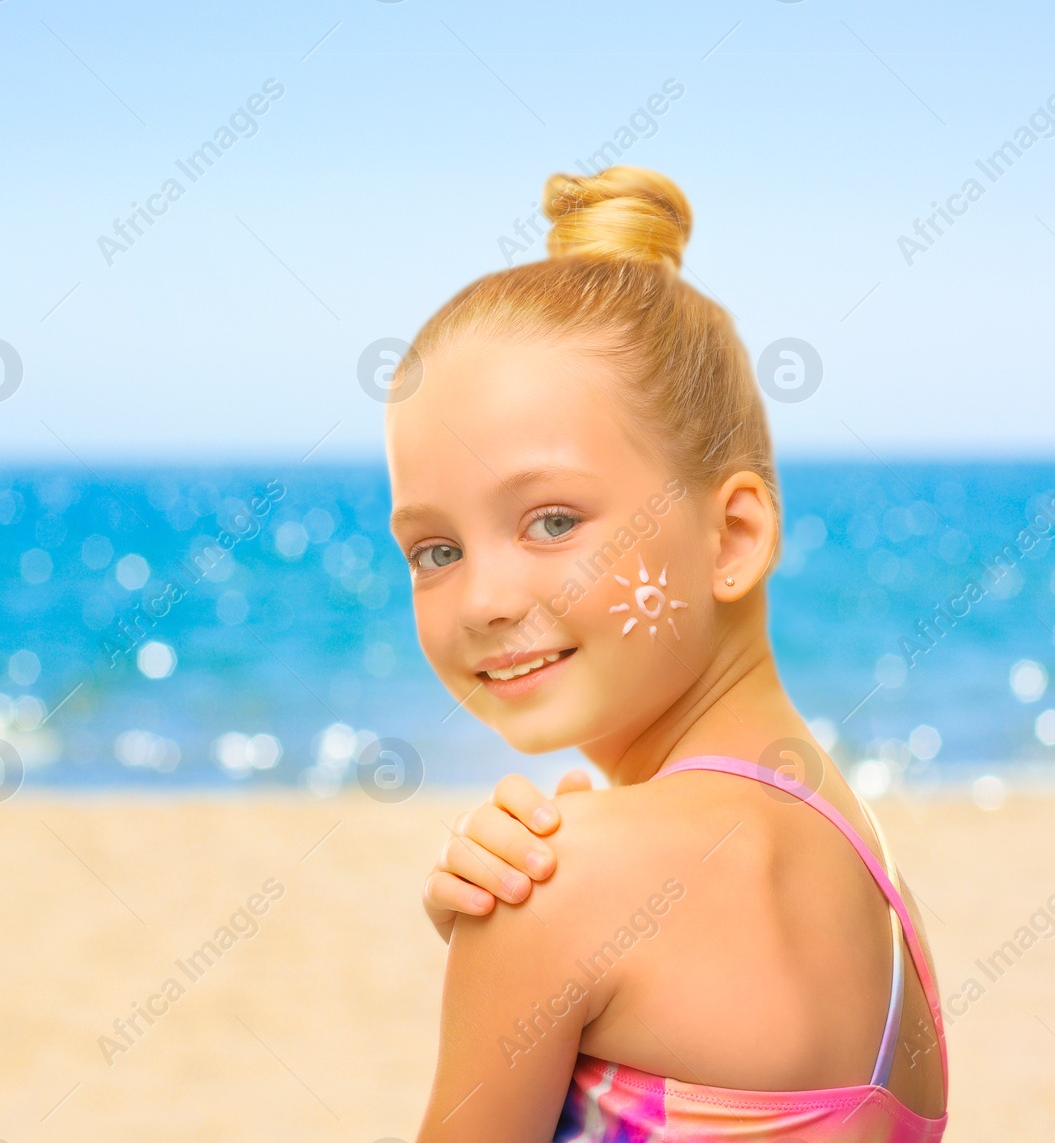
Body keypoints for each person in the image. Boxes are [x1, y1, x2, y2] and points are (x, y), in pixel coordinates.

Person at [386, 166, 947, 1141]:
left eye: (552, 521)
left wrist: (511, 951)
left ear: (731, 538)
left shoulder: (559, 890)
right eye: (435, 550)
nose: (482, 598)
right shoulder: (881, 900)